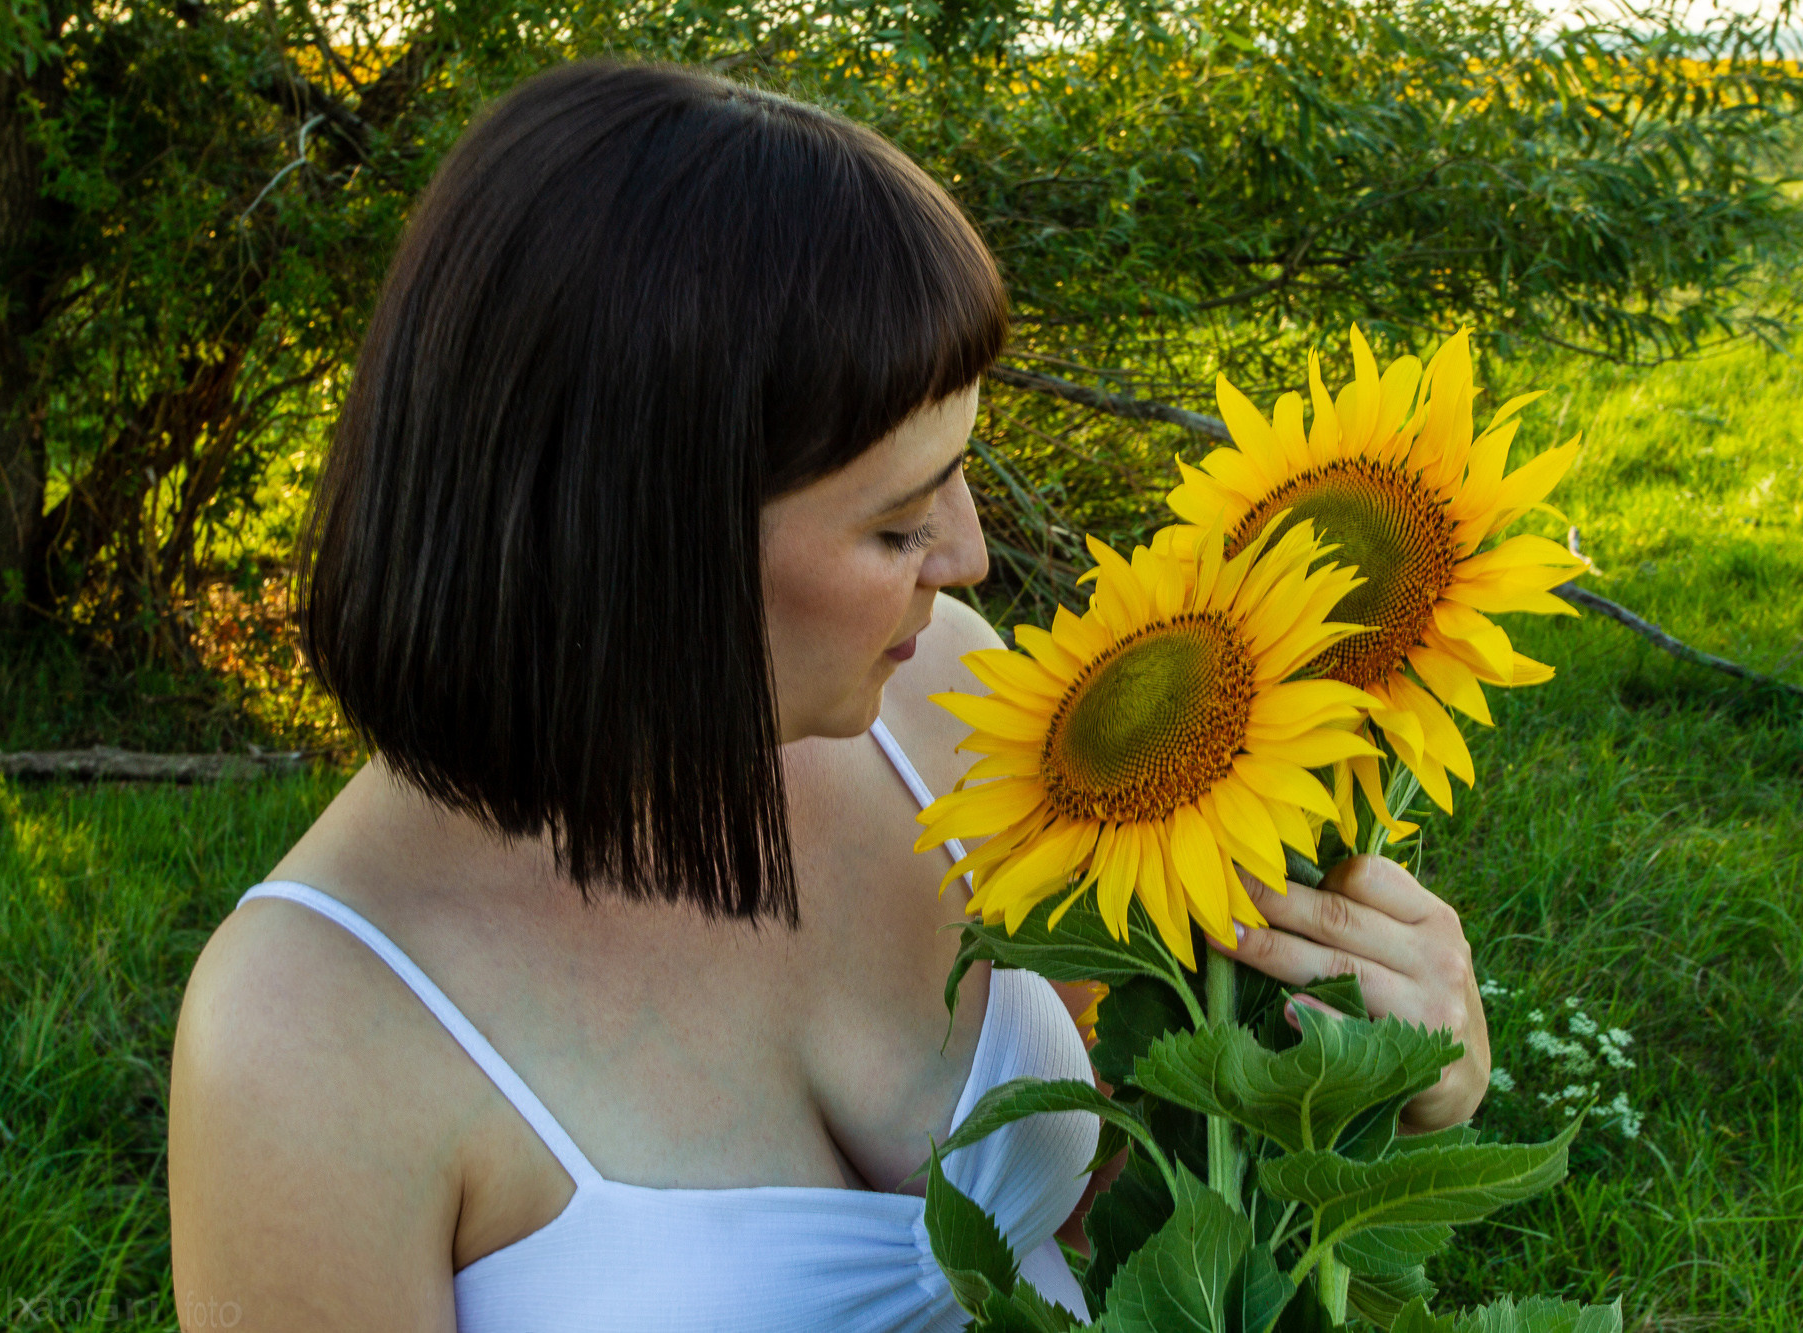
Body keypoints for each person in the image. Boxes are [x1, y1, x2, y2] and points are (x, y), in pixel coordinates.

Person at [166, 59, 1489, 1332]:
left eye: (961, 476)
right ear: (645, 549)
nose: (968, 556)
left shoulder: (953, 700)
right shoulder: (304, 1039)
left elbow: (1128, 1204)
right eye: (899, 524)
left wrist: (1373, 1092)